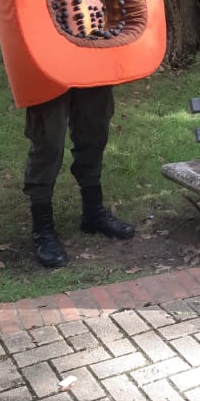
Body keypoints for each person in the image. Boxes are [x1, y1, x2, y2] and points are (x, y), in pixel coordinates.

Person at [25, 87, 135, 268]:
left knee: (95, 127)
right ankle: (42, 229)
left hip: (92, 62)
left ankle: (93, 212)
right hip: (48, 65)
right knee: (48, 137)